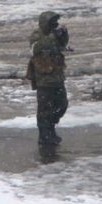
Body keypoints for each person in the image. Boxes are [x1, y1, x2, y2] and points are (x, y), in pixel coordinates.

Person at [28, 11, 69, 147]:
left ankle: (51, 127)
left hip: (57, 77)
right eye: (52, 22)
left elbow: (62, 45)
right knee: (44, 109)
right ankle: (45, 135)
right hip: (44, 78)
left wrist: (63, 34)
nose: (55, 25)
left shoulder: (53, 34)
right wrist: (53, 36)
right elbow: (37, 47)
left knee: (62, 105)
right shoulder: (36, 35)